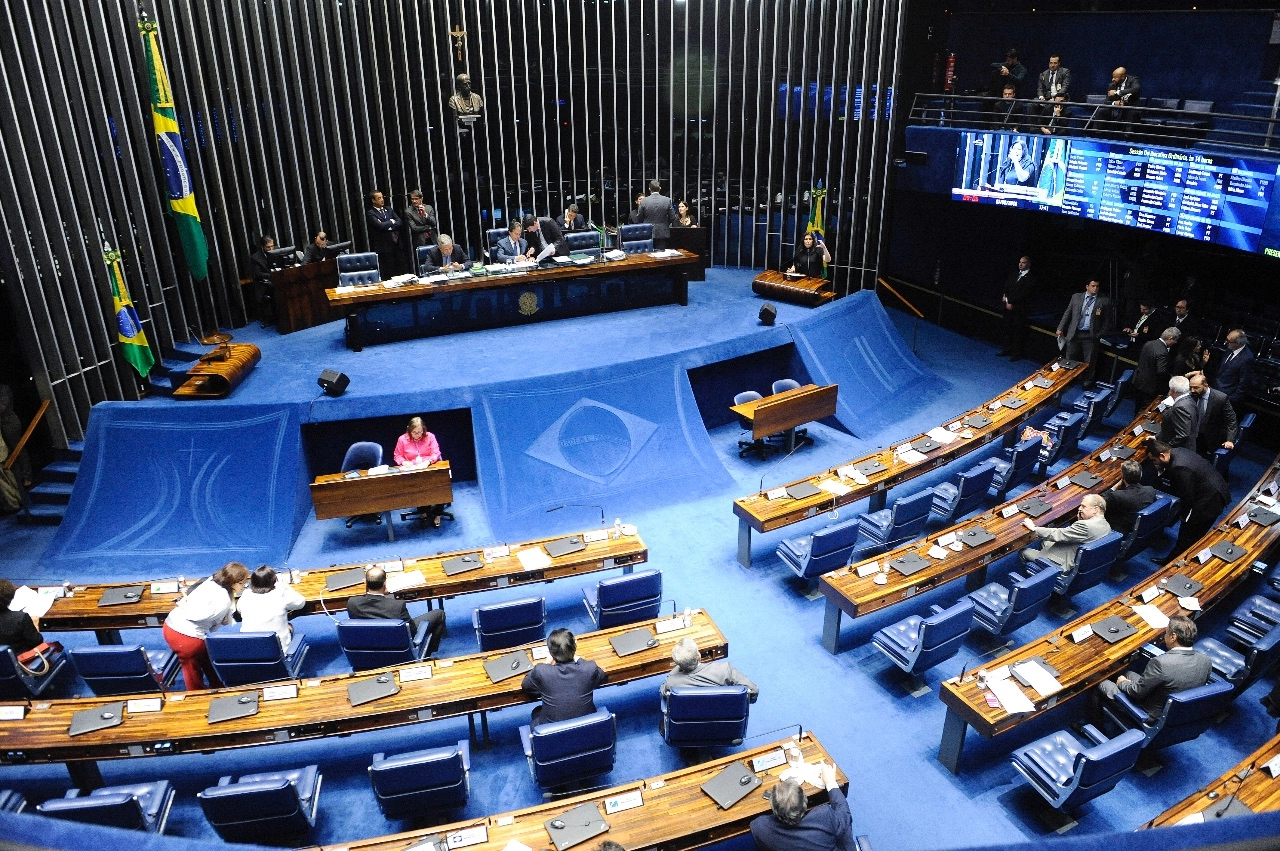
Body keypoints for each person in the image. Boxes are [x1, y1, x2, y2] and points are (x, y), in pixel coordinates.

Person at [1097, 616, 1210, 717]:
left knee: (1102, 683)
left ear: (1173, 637)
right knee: (1128, 673)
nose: (1164, 636)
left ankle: (1095, 724)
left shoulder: (1161, 663)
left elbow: (1136, 693)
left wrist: (1122, 683)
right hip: (1176, 710)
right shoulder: (1206, 661)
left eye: (1166, 633)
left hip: (1149, 713)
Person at [163, 562, 250, 691]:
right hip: (186, 637)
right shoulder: (223, 601)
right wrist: (184, 605)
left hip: (171, 626)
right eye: (242, 583)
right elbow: (196, 615)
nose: (244, 586)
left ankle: (217, 685)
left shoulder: (211, 581)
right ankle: (198, 697)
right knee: (192, 675)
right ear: (233, 582)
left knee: (206, 658)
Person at [1147, 439, 1231, 564]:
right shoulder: (1178, 451)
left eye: (1154, 460)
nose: (1154, 464)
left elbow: (1187, 496)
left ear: (1162, 456)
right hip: (1215, 491)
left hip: (1208, 501)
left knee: (1188, 535)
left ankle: (1173, 563)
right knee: (1194, 535)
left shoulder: (1179, 467)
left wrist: (1184, 516)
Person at [749, 761, 855, 851]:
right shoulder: (825, 816)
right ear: (805, 802)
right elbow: (844, 813)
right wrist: (830, 782)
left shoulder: (760, 827)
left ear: (773, 806)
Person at [346, 566, 446, 654]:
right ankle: (426, 656)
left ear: (365, 582)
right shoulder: (397, 606)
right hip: (397, 645)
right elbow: (412, 631)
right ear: (385, 583)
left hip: (370, 645)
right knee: (439, 614)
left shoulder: (352, 603)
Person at [521, 627, 607, 727]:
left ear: (551, 653)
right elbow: (602, 678)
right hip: (587, 727)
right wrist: (579, 659)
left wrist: (547, 663)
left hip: (553, 732)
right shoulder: (589, 668)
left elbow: (526, 686)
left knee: (536, 712)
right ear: (575, 647)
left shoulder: (541, 671)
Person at [1019, 494, 1111, 575]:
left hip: (1062, 564)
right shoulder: (1106, 526)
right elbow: (1079, 535)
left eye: (1083, 506)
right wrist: (1080, 520)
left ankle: (1036, 580)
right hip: (1077, 556)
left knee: (1023, 552)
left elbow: (1058, 534)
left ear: (1096, 509)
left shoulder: (1086, 526)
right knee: (1045, 541)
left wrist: (1034, 528)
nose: (1079, 509)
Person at [660, 636, 759, 701]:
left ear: (678, 664)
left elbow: (663, 693)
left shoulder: (672, 683)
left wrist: (677, 667)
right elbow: (753, 691)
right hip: (724, 718)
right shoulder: (724, 669)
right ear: (699, 656)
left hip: (691, 722)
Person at [1056, 278, 1114, 387]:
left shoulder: (1104, 301)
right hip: (1075, 332)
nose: (1095, 288)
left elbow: (1107, 321)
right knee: (1070, 357)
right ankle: (1068, 379)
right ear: (1087, 286)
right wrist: (1060, 327)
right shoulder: (1076, 297)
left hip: (1091, 335)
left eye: (1097, 286)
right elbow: (1068, 313)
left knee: (1090, 361)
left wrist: (1099, 334)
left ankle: (1087, 381)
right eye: (1093, 286)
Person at [236, 565, 305, 649]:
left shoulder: (246, 595)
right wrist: (287, 587)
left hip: (249, 649)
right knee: (289, 627)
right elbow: (301, 603)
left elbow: (239, 610)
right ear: (274, 581)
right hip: (278, 651)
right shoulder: (280, 593)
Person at [394, 416, 446, 526]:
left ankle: (438, 514)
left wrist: (428, 461)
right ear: (409, 430)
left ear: (423, 429)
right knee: (417, 485)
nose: (417, 435)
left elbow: (436, 453)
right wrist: (404, 462)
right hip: (413, 469)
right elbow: (397, 456)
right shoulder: (402, 439)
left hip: (429, 466)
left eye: (420, 432)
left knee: (441, 484)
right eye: (414, 432)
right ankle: (423, 511)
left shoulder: (430, 437)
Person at [1187, 371, 1238, 458]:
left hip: (1210, 437)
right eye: (1191, 387)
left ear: (1205, 385)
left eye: (1196, 387)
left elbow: (1231, 420)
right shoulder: (1191, 395)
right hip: (1193, 434)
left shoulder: (1220, 398)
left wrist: (1230, 440)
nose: (1192, 390)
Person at [1101, 460, 1157, 535]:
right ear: (1141, 475)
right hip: (1143, 525)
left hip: (1124, 529)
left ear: (1123, 476)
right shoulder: (1150, 490)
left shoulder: (1117, 496)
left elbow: (1100, 502)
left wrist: (1115, 487)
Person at [997, 255, 1035, 361]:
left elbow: (1024, 294)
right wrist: (1006, 299)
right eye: (1020, 262)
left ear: (1028, 264)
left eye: (1023, 262)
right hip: (1007, 307)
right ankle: (1006, 349)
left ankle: (1016, 353)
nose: (1020, 264)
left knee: (1017, 331)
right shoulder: (1014, 274)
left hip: (1019, 309)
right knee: (1007, 329)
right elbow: (1006, 287)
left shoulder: (1031, 278)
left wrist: (1011, 301)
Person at [1133, 327, 1180, 404]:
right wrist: (1170, 377)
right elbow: (1161, 372)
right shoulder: (1163, 352)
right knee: (1145, 408)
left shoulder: (1149, 343)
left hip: (1138, 381)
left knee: (1137, 405)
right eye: (1175, 340)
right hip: (1150, 387)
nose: (1175, 343)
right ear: (1170, 338)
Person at [0, 578, 47, 654]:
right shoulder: (21, 618)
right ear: (11, 597)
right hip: (21, 658)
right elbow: (37, 642)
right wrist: (35, 625)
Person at [0, 385, 31, 489]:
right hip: (2, 425)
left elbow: (2, 407)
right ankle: (16, 478)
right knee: (7, 452)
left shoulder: (3, 389)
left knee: (18, 449)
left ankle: (27, 476)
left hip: (9, 423)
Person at [366, 190, 403, 276]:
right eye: (379, 198)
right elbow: (380, 226)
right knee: (389, 271)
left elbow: (400, 222)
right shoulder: (371, 213)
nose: (382, 200)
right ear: (373, 200)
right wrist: (392, 221)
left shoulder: (389, 209)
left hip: (396, 244)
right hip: (384, 247)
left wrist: (387, 225)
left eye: (382, 197)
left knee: (400, 269)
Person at [1213, 329, 1254, 405]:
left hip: (1227, 397)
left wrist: (1232, 399)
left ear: (1238, 343)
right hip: (1216, 390)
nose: (1226, 343)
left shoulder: (1247, 359)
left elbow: (1244, 383)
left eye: (1229, 341)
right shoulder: (1230, 348)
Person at [1159, 375, 1199, 451]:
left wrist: (1166, 448)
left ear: (1172, 391)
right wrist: (1157, 437)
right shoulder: (1190, 400)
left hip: (1179, 450)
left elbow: (1182, 435)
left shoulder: (1179, 407)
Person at [637, 179, 677, 248]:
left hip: (648, 231)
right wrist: (665, 223)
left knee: (649, 253)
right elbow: (673, 217)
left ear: (649, 189)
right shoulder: (667, 200)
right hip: (663, 232)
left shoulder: (644, 201)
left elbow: (639, 218)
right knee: (662, 253)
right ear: (660, 188)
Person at [249, 234, 276, 322]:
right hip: (265, 284)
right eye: (268, 247)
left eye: (272, 246)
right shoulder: (255, 258)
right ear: (262, 247)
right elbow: (258, 274)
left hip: (278, 278)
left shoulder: (277, 251)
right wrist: (271, 275)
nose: (271, 249)